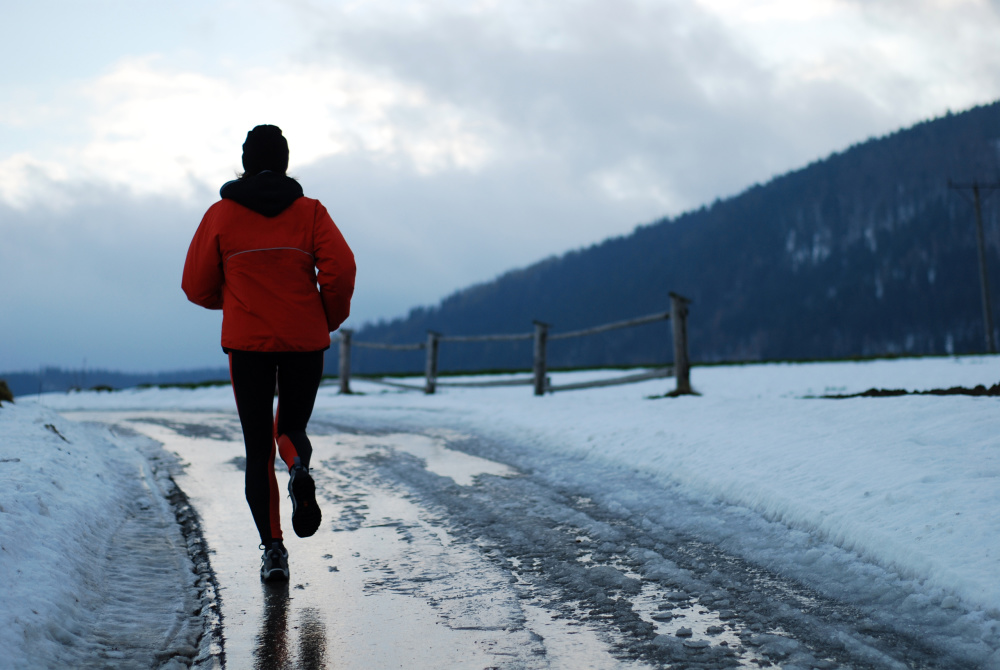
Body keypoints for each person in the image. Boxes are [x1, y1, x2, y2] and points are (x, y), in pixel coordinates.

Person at [182, 125, 356, 581]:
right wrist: (325, 316)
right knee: (291, 427)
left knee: (257, 448)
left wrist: (238, 299)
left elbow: (196, 285)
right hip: (304, 339)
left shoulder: (221, 215)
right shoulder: (311, 212)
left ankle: (274, 552)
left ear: (244, 162)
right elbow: (341, 269)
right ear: (284, 162)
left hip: (248, 344)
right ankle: (298, 468)